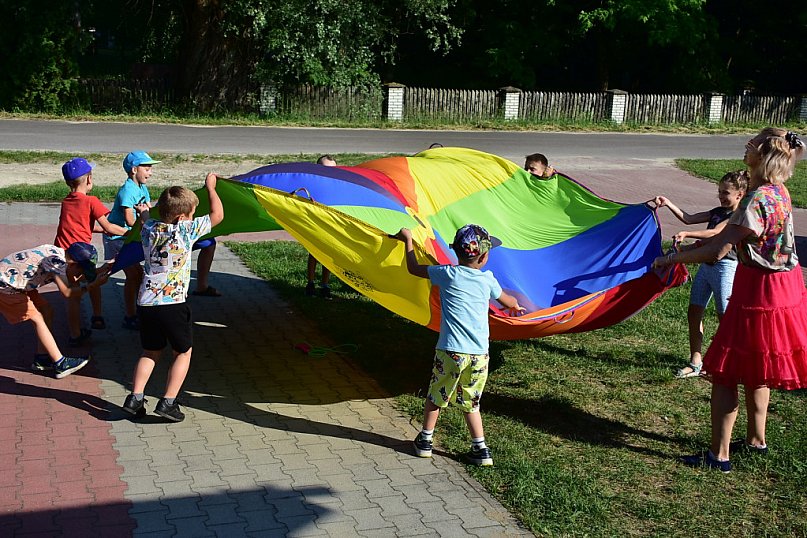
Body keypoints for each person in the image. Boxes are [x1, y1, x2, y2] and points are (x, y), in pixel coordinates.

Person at [653, 128, 807, 473]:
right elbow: (784, 144)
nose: (747, 145)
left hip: (758, 290)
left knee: (726, 371)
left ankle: (718, 456)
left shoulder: (754, 201)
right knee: (759, 364)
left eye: (752, 145)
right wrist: (779, 136)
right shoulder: (778, 189)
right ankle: (756, 440)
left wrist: (670, 259)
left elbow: (717, 248)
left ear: (762, 158)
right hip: (786, 286)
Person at [395, 224, 524, 466]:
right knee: (471, 402)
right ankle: (481, 449)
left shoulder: (447, 274)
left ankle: (425, 440)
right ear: (484, 256)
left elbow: (413, 268)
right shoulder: (488, 280)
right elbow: (507, 301)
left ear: (456, 252)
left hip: (451, 350)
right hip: (479, 355)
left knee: (437, 395)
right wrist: (516, 306)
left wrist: (408, 241)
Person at [121, 173, 224, 422]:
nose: (192, 218)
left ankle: (135, 398)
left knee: (150, 351)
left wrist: (144, 211)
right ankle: (168, 402)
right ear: (182, 218)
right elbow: (217, 215)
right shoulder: (185, 231)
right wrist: (211, 188)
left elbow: (146, 219)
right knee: (183, 352)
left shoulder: (149, 229)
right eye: (191, 213)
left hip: (146, 303)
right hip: (173, 305)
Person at [653, 170, 748, 378]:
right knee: (694, 312)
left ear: (740, 194)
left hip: (725, 267)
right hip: (706, 267)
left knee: (725, 317)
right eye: (720, 192)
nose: (722, 196)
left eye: (726, 193)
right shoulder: (717, 211)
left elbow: (716, 233)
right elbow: (688, 218)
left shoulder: (737, 215)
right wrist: (668, 203)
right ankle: (696, 361)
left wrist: (687, 235)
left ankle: (730, 363)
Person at [0, 242, 110, 379]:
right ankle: (60, 363)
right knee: (37, 319)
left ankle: (42, 358)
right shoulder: (57, 263)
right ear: (74, 264)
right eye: (80, 271)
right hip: (7, 286)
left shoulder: (57, 253)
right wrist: (93, 286)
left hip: (18, 282)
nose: (79, 275)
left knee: (47, 310)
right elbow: (67, 292)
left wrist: (102, 270)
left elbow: (74, 277)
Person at [55, 157, 128, 345]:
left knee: (74, 294)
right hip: (82, 254)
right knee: (92, 282)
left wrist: (98, 228)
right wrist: (129, 233)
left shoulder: (66, 202)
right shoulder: (91, 201)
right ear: (89, 179)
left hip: (64, 253)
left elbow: (78, 225)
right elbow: (111, 227)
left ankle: (76, 332)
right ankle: (94, 317)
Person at [105, 151, 160, 330]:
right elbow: (129, 220)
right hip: (118, 237)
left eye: (151, 168)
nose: (150, 172)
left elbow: (148, 210)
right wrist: (144, 220)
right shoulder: (127, 190)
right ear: (134, 169)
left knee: (139, 275)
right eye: (147, 168)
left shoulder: (143, 188)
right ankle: (130, 316)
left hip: (132, 236)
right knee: (133, 275)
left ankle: (138, 310)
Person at [305, 155, 336, 298]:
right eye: (325, 169)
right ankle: (310, 283)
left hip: (330, 223)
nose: (329, 172)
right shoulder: (313, 182)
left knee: (328, 254)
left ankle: (325, 284)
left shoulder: (337, 184)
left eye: (333, 169)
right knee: (314, 253)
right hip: (316, 223)